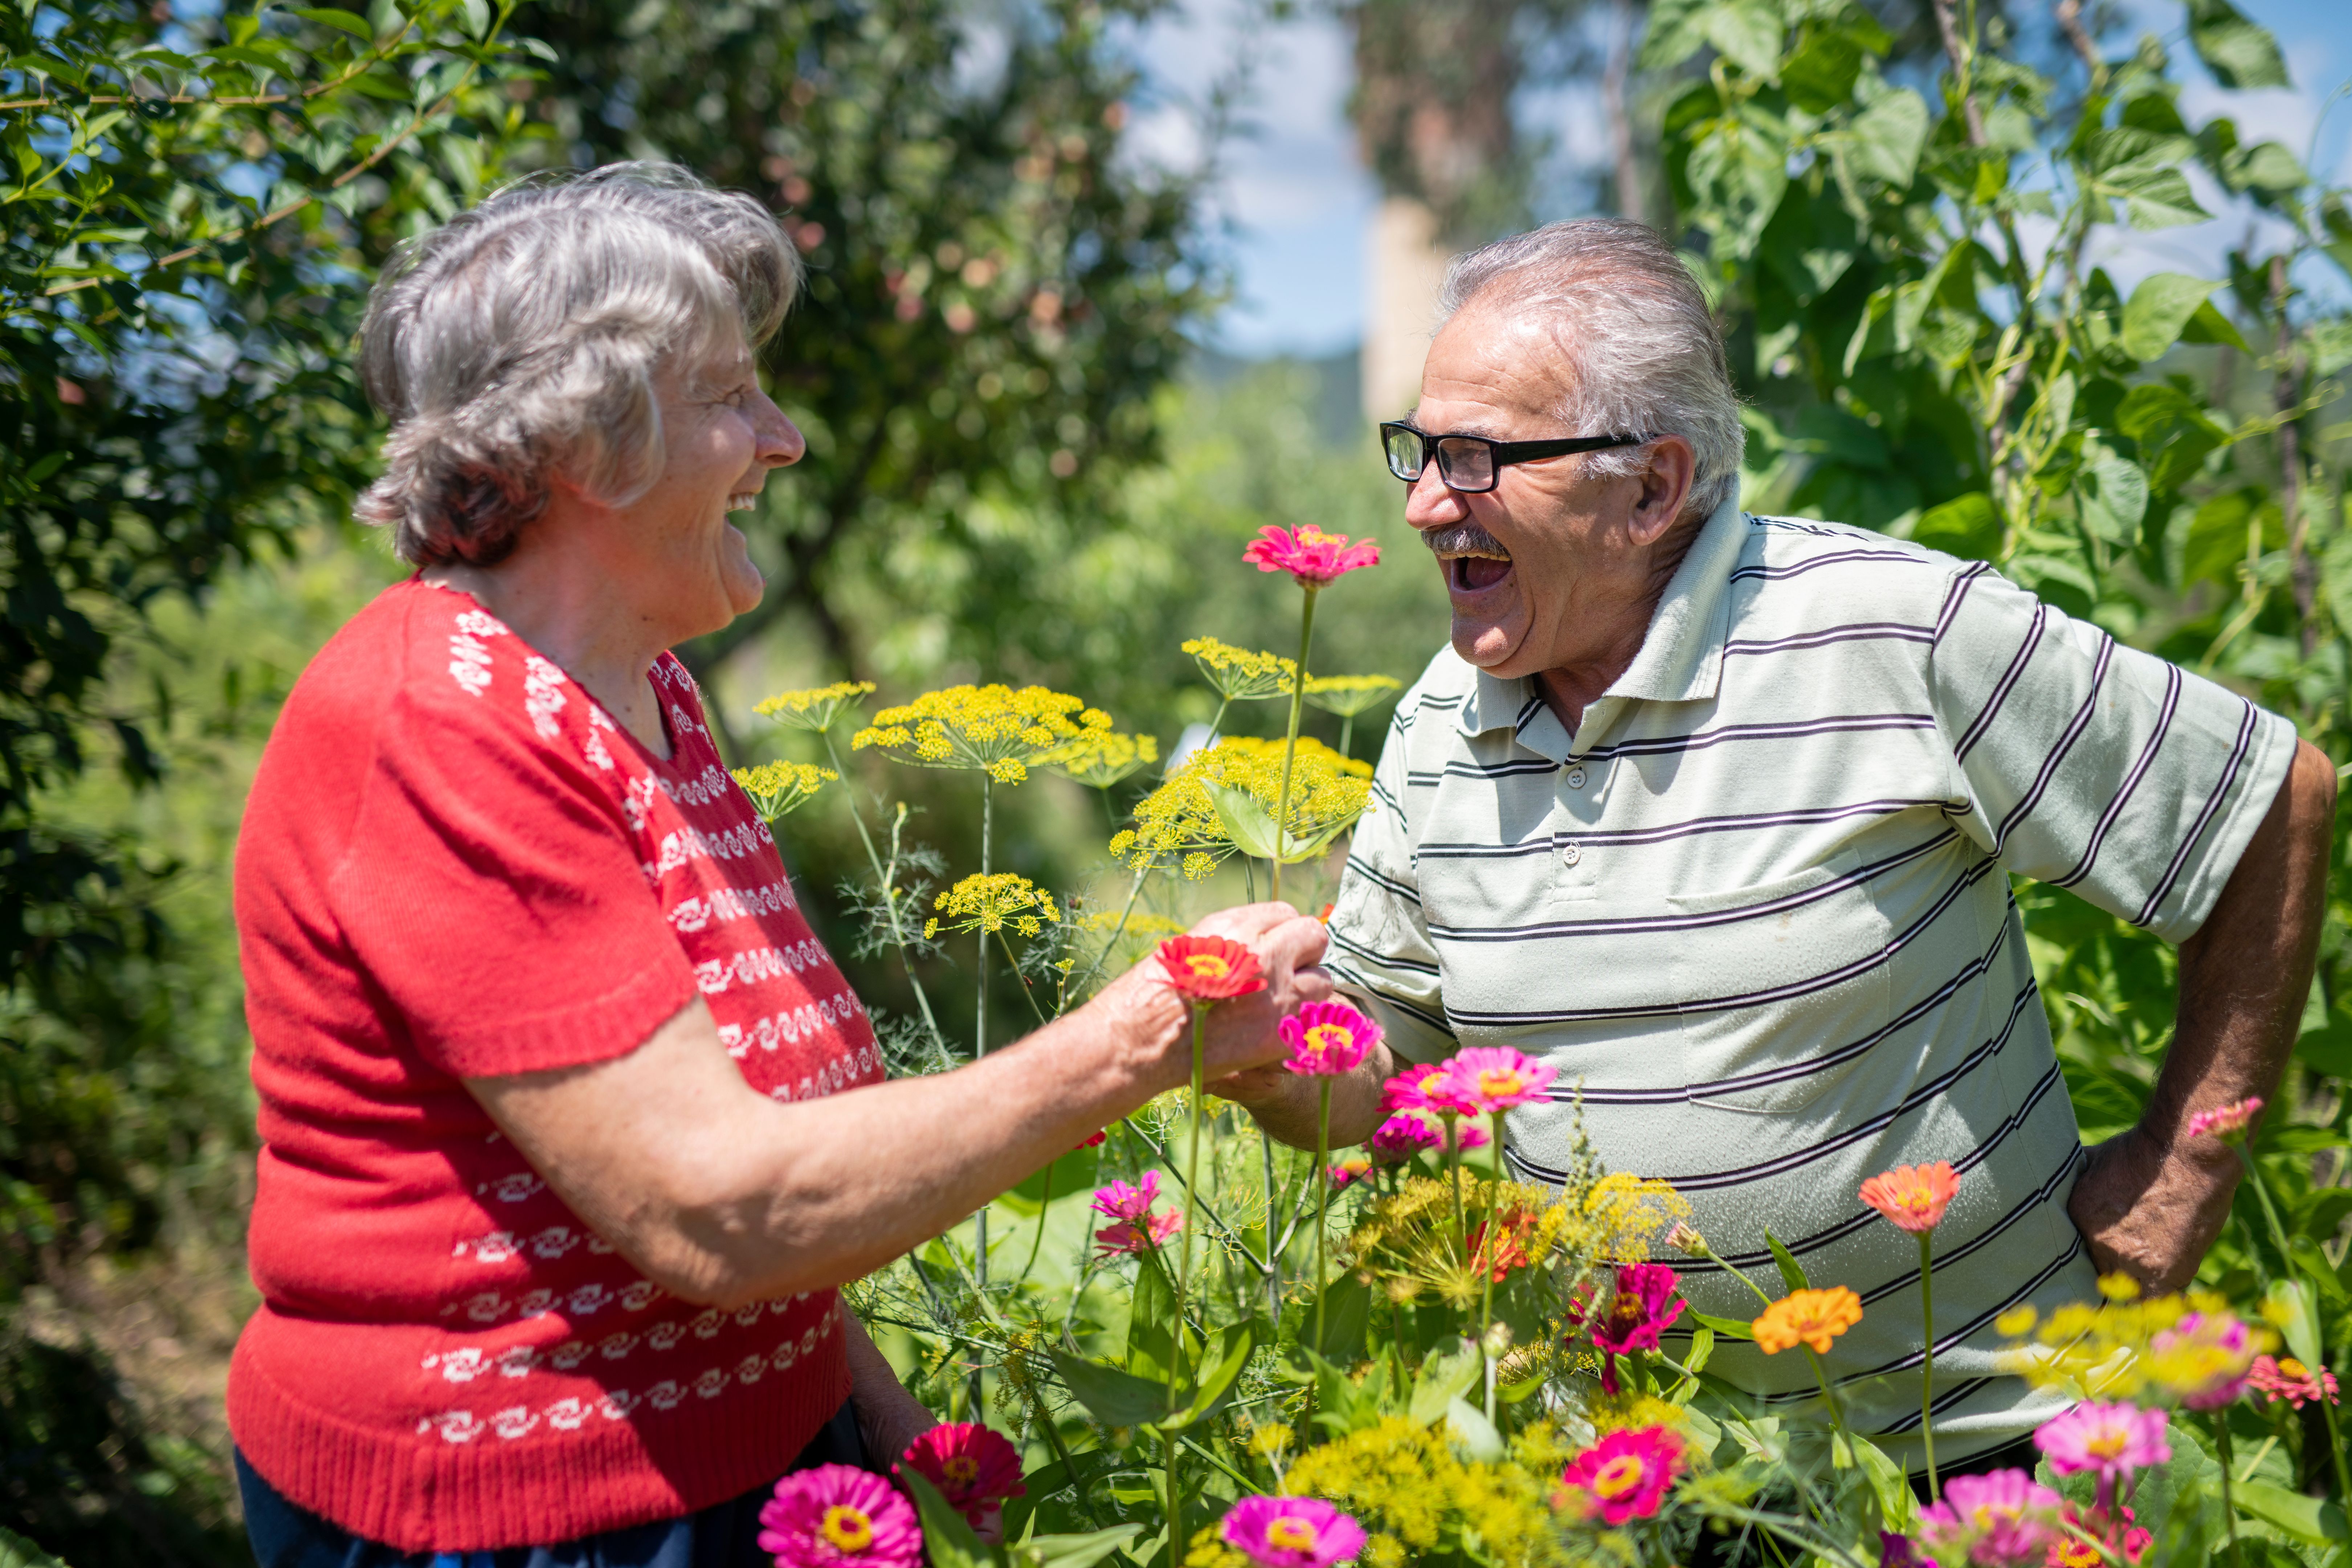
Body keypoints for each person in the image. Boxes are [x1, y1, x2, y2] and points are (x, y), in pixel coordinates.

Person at [227, 163, 1331, 1566]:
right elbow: (718, 1210)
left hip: (749, 1477)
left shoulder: (645, 692)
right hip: (521, 1521)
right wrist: (1149, 1033)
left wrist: (877, 1428)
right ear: (584, 441)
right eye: (730, 396)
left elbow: (752, 1174)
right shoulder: (435, 723)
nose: (785, 438)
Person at [1218, 218, 2335, 1482]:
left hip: (1987, 1455)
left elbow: (2266, 799)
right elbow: (1376, 1065)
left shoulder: (1893, 632)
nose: (1426, 504)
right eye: (1419, 453)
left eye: (1477, 460)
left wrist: (2183, 1175)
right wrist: (1266, 1051)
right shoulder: (1439, 726)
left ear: (1652, 487)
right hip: (1640, 1479)